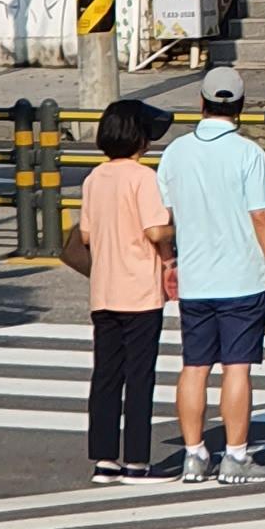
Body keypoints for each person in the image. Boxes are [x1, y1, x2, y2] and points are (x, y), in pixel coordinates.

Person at [155, 67, 265, 487]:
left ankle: (194, 455)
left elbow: (164, 216)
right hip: (242, 278)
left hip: (196, 278)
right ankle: (235, 456)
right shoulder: (248, 153)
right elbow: (262, 216)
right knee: (237, 367)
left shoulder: (176, 152)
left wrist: (168, 263)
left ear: (201, 102)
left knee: (194, 366)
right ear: (241, 107)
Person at [76, 97, 175, 483]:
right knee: (139, 377)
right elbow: (155, 231)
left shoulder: (94, 178)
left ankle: (104, 459)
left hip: (104, 290)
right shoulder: (143, 178)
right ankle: (136, 460)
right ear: (140, 138)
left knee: (105, 375)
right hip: (140, 292)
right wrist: (175, 227)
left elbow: (85, 235)